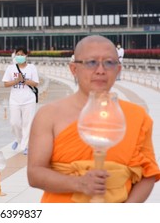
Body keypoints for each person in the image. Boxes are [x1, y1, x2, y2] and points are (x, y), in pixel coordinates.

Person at [27, 35, 160, 203]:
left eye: (109, 63)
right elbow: (35, 174)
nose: (100, 70)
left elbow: (148, 174)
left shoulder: (137, 116)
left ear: (118, 70)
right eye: (91, 62)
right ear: (74, 69)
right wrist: (79, 183)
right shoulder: (49, 115)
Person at [2, 47, 39, 155]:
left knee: (27, 124)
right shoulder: (10, 68)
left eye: (22, 54)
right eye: (18, 54)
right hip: (14, 100)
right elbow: (5, 84)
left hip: (29, 100)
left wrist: (25, 81)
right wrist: (16, 81)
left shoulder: (31, 68)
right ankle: (18, 140)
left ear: (26, 56)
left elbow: (36, 83)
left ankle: (25, 146)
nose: (20, 56)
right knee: (14, 123)